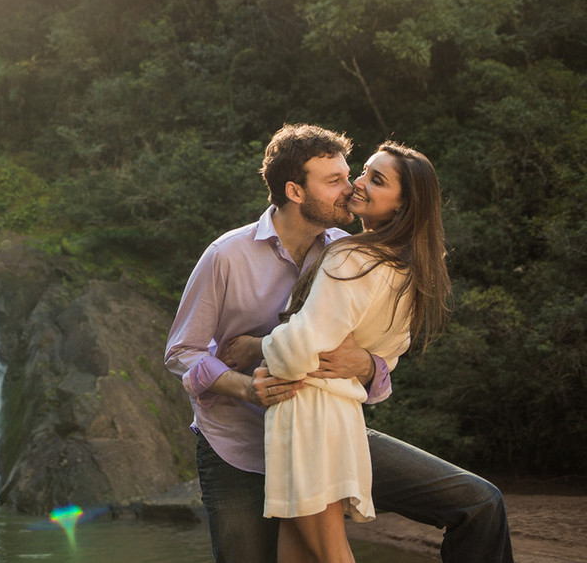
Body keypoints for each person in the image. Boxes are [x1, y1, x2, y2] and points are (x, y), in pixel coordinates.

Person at [164, 123, 512, 563]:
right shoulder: (225, 255)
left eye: (351, 176)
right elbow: (180, 353)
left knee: (478, 502)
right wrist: (243, 387)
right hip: (237, 447)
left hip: (327, 431)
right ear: (294, 190)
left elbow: (382, 364)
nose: (350, 189)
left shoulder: (349, 251)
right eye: (335, 181)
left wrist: (365, 364)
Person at [261, 141, 450, 562]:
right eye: (364, 171)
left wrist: (255, 346)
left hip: (309, 414)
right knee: (294, 556)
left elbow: (296, 353)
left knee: (331, 554)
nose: (358, 184)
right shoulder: (409, 274)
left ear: (402, 207)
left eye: (376, 180)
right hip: (339, 418)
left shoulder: (351, 256)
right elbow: (385, 357)